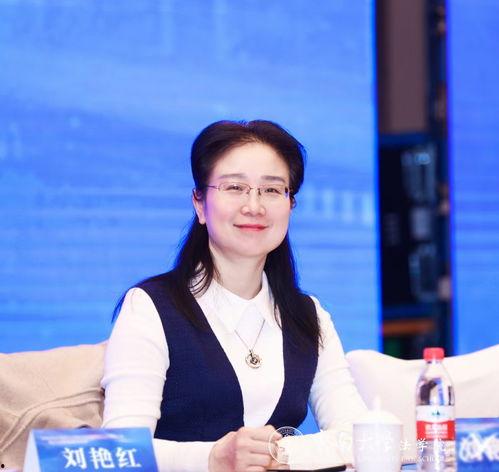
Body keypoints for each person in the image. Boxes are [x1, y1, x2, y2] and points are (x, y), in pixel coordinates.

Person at [101, 120, 368, 472]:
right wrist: (212, 458)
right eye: (235, 187)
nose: (254, 206)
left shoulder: (308, 315)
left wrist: (282, 455)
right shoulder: (150, 308)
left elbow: (359, 437)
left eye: (271, 190)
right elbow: (118, 453)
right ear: (199, 203)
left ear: (290, 205)